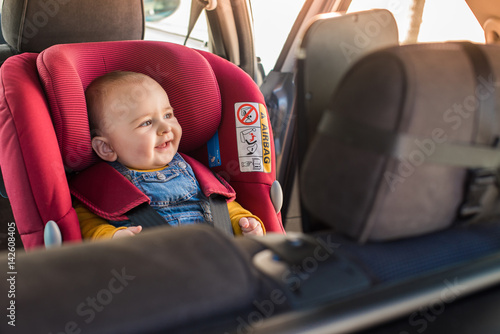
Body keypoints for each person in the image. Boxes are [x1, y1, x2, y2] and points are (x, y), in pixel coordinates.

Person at [75, 71, 265, 239]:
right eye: (146, 123)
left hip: (214, 262)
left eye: (168, 115)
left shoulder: (194, 171)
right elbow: (86, 222)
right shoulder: (103, 185)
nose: (166, 128)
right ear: (106, 148)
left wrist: (243, 222)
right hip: (157, 269)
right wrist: (112, 236)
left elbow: (222, 206)